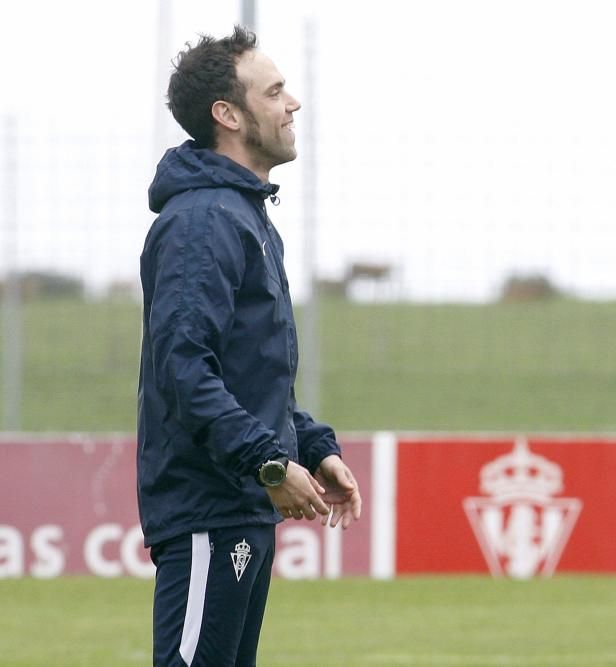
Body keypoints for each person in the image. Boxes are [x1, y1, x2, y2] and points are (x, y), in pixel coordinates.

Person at [138, 26, 362, 666]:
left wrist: (311, 447)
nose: (293, 104)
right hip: (211, 507)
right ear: (228, 115)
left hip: (239, 506)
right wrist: (267, 463)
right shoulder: (204, 219)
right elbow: (184, 371)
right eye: (275, 90)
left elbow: (246, 374)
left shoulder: (243, 216)